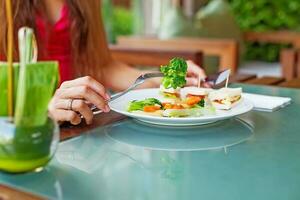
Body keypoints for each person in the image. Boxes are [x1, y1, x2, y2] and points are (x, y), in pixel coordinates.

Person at [0, 0, 206, 125]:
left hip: (73, 127)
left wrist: (165, 80)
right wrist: (43, 111)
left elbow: (103, 65)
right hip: (17, 129)